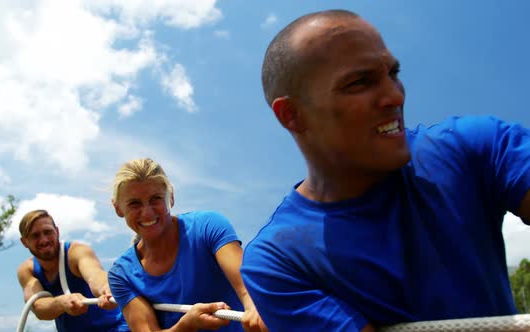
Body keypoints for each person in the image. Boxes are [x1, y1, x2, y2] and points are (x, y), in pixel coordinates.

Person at [239, 9, 530, 332]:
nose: (395, 95)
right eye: (360, 82)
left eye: (393, 73)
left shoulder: (476, 146)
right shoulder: (278, 263)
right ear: (292, 115)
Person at [108, 158, 267, 332]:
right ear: (118, 209)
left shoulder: (208, 226)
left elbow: (247, 289)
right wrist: (187, 326)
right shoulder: (121, 274)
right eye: (134, 203)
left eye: (156, 199)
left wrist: (255, 309)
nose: (147, 212)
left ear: (172, 198)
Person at [17, 209, 129, 332]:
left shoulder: (76, 252)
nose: (44, 240)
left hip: (116, 328)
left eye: (47, 232)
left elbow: (95, 275)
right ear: (24, 242)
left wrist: (106, 290)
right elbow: (38, 307)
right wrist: (61, 303)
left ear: (57, 232)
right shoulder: (27, 270)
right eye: (35, 236)